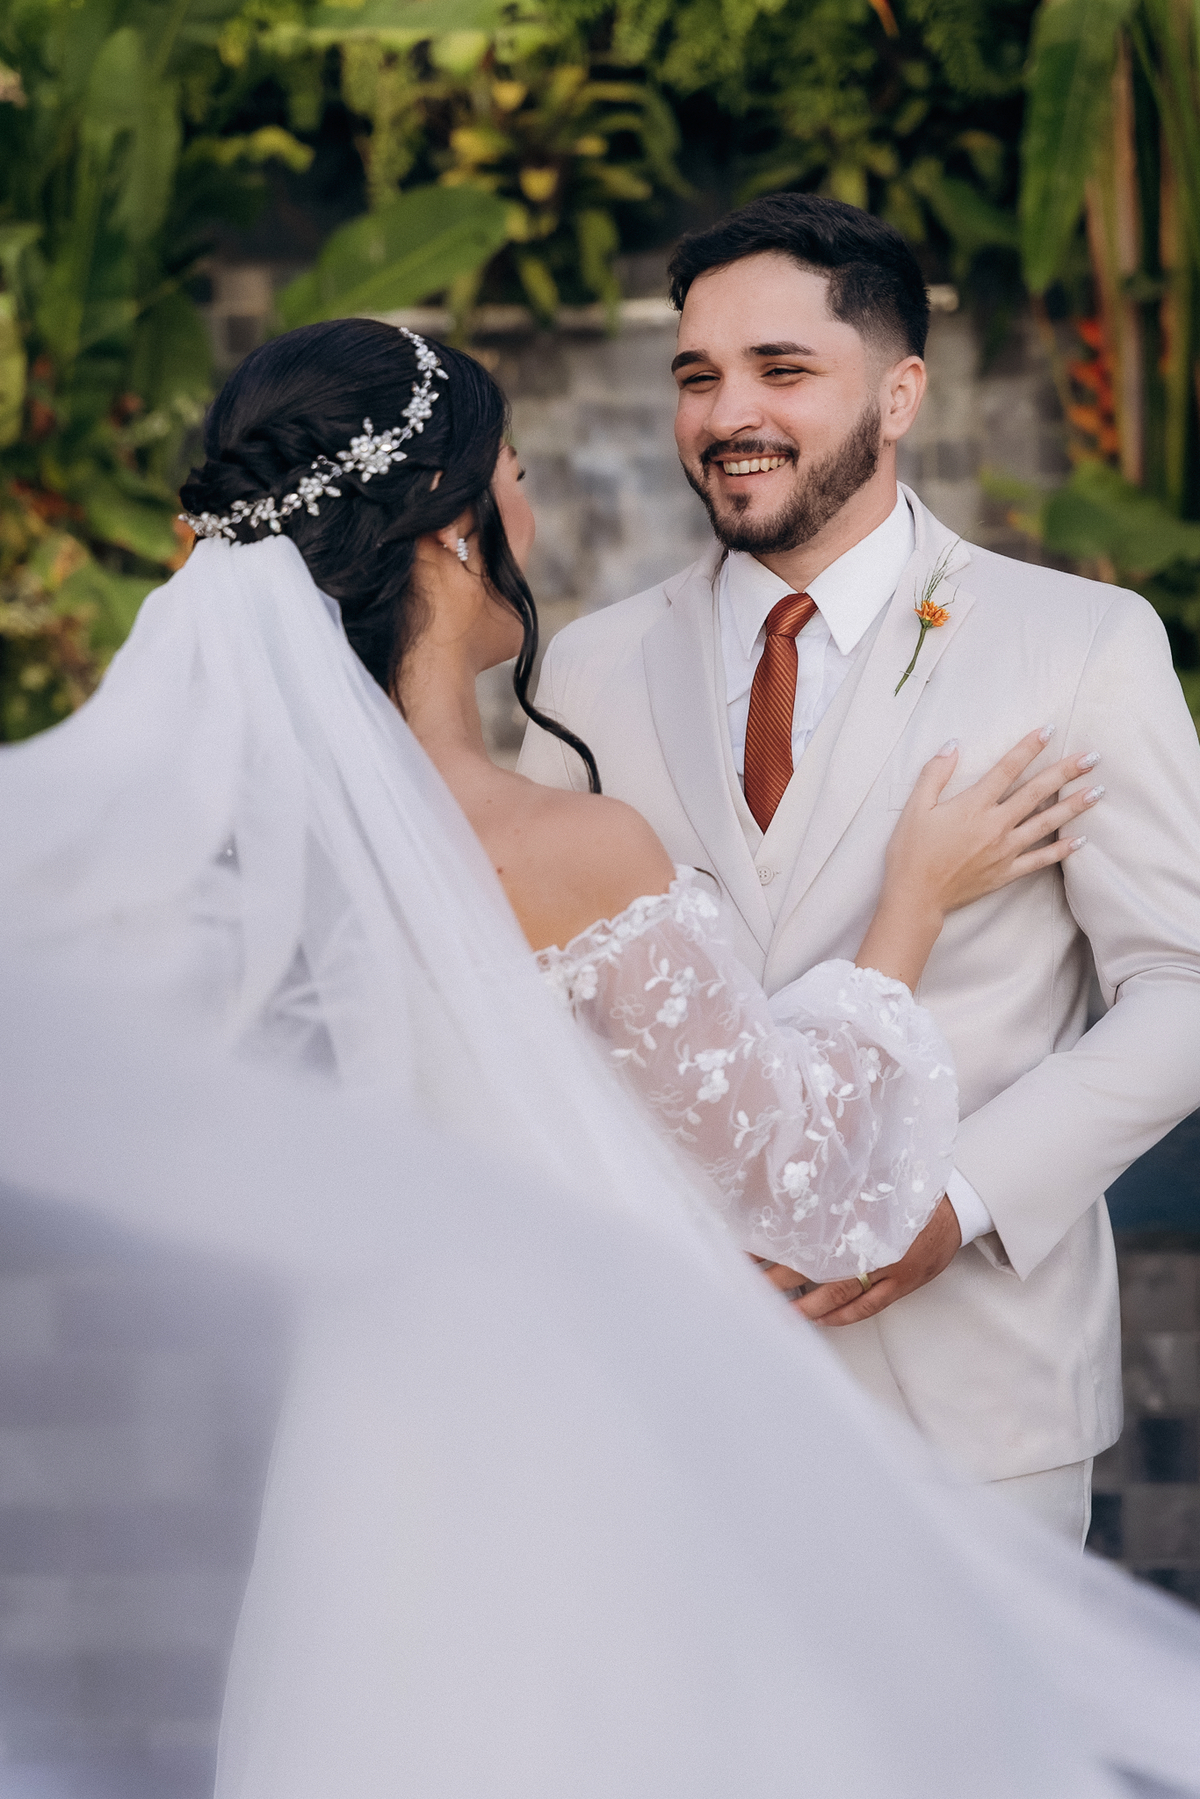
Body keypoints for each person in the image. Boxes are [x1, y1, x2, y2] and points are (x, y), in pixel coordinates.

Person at [3, 316, 1200, 1799]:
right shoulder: (563, 846)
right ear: (449, 533)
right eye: (511, 476)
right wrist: (911, 905)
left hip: (371, 1460)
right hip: (585, 1453)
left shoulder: (252, 859)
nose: (532, 510)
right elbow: (810, 1190)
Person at [518, 192, 1200, 1545]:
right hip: (676, 1388)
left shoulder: (1080, 643)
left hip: (972, 1399)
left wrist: (954, 1202)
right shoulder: (589, 670)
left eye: (783, 370)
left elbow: (1183, 989)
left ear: (898, 397)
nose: (726, 415)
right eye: (698, 375)